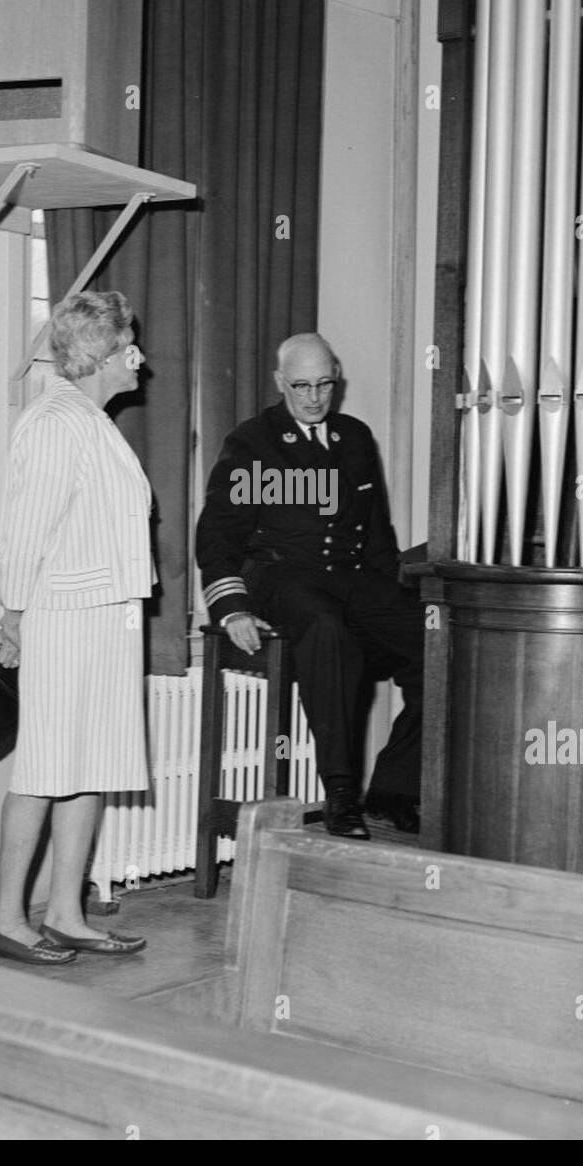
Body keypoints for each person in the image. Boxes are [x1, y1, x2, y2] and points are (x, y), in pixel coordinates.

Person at [196, 332, 423, 838]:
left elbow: (377, 534)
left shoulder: (356, 438)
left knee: (438, 642)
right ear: (280, 383)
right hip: (280, 575)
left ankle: (394, 788)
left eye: (324, 384)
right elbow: (218, 535)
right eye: (301, 387)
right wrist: (230, 607)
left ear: (336, 376)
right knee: (327, 629)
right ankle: (341, 793)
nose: (315, 398)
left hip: (350, 578)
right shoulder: (254, 442)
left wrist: (393, 598)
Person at [0, 291, 152, 964]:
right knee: (46, 768)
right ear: (99, 357)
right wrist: (14, 617)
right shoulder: (55, 419)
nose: (139, 356)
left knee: (90, 765)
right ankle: (3, 916)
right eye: (128, 345)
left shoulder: (90, 419)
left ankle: (65, 912)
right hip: (61, 618)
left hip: (105, 616)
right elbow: (26, 533)